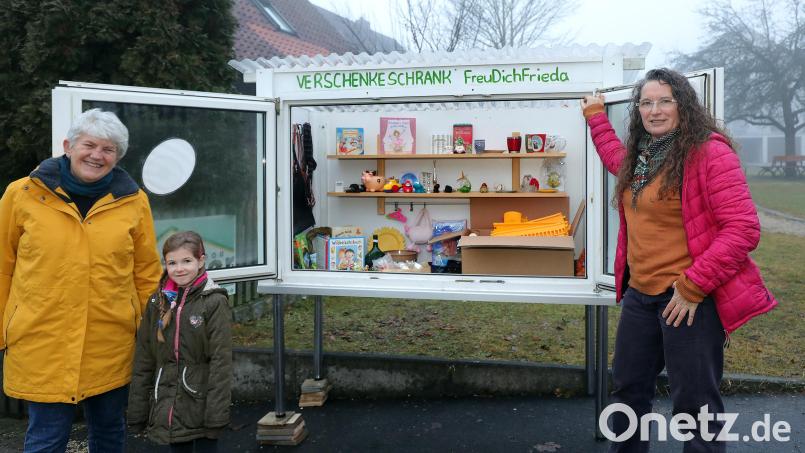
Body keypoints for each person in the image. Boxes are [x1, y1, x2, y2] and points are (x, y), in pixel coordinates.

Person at [581, 68, 777, 452]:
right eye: (646, 103)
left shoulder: (709, 153)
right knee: (627, 394)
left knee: (695, 406)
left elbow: (743, 229)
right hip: (640, 296)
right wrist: (595, 117)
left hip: (688, 301)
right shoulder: (642, 157)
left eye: (664, 101)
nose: (654, 110)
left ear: (683, 105)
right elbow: (614, 157)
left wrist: (692, 286)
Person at [0, 108, 163, 452]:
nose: (97, 155)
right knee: (46, 438)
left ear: (117, 157)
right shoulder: (22, 194)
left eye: (108, 149)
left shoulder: (134, 202)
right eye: (89, 145)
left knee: (109, 433)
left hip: (110, 342)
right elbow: (2, 266)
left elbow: (146, 272)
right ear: (68, 146)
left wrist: (153, 331)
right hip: (43, 341)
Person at [128, 231, 232, 453]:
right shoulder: (157, 302)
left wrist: (216, 415)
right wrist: (137, 411)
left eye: (187, 261)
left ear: (201, 261)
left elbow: (221, 362)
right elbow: (144, 357)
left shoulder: (214, 302)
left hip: (201, 401)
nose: (179, 269)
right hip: (167, 402)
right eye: (172, 263)